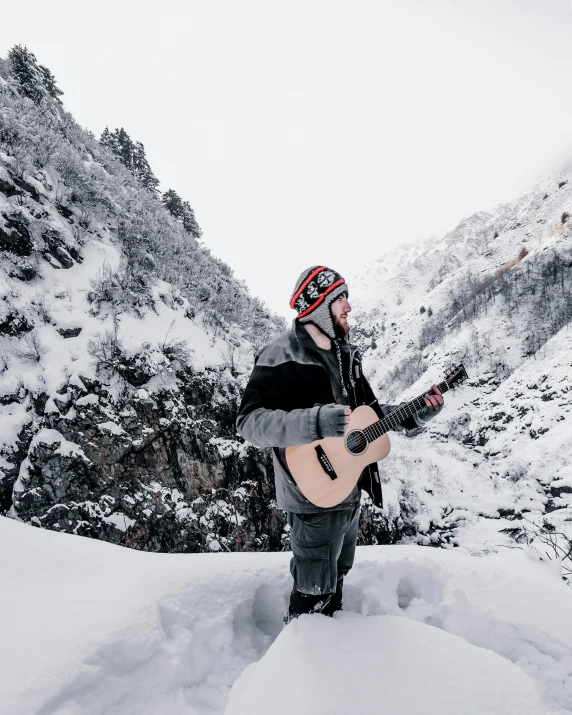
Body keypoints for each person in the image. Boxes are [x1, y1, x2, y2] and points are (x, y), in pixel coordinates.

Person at [236, 265, 444, 622]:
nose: (349, 307)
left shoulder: (347, 358)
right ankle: (300, 659)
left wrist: (417, 414)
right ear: (318, 305)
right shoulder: (280, 354)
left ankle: (334, 656)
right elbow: (250, 423)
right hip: (310, 493)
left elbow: (371, 419)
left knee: (336, 580)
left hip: (348, 487)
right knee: (313, 589)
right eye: (340, 299)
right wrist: (315, 422)